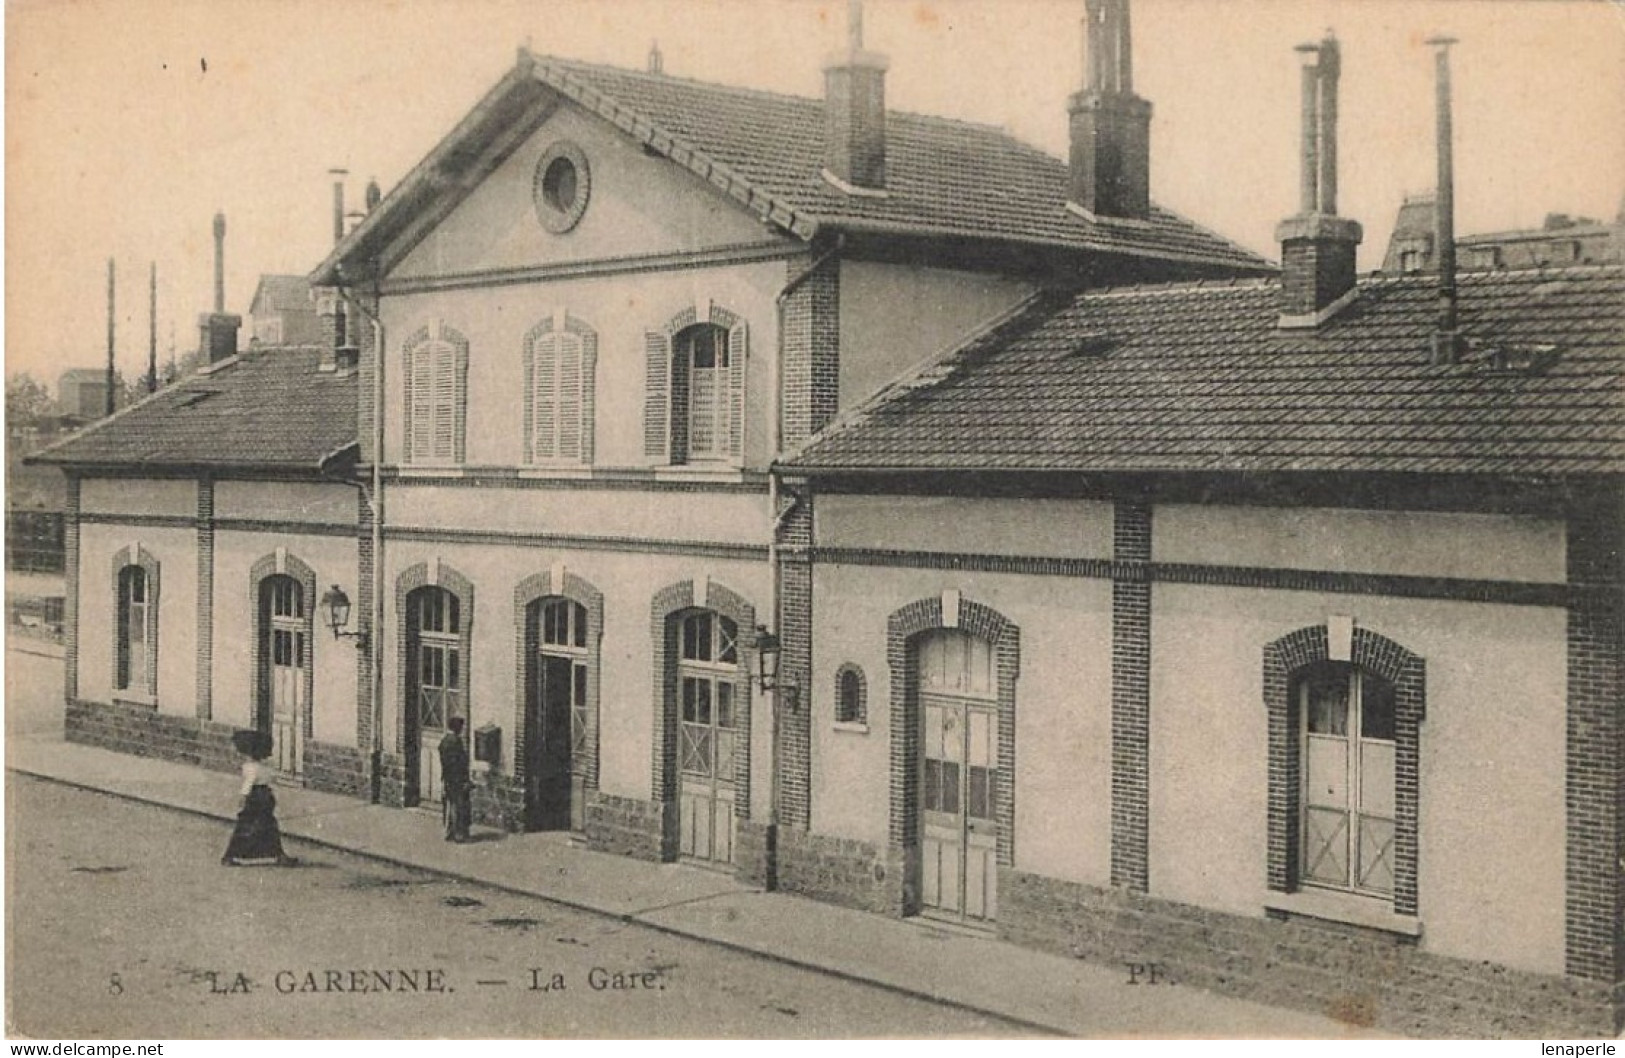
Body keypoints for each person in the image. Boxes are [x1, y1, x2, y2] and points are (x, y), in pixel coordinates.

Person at [222, 730, 296, 866]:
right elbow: (271, 779)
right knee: (268, 826)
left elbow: (248, 784)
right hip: (265, 796)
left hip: (254, 797)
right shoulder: (265, 767)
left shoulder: (250, 767)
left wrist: (243, 798)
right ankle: (277, 854)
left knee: (245, 826)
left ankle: (232, 855)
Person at [438, 717, 472, 843]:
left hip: (447, 777)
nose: (462, 730)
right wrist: (465, 779)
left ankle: (448, 832)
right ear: (457, 728)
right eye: (461, 727)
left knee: (449, 804)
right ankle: (458, 834)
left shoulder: (444, 741)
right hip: (456, 778)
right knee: (458, 806)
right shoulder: (456, 742)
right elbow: (459, 762)